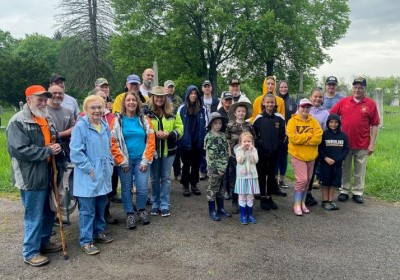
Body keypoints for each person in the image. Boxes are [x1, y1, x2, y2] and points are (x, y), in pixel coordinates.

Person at [7, 85, 64, 267]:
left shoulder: (46, 118)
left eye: (44, 98)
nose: (42, 102)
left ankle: (44, 242)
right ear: (29, 99)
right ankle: (30, 252)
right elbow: (19, 149)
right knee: (34, 214)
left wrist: (56, 147)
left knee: (49, 211)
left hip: (49, 172)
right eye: (38, 98)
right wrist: (46, 151)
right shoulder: (18, 121)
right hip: (30, 176)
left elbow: (53, 139)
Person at [70, 95, 114, 255]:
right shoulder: (80, 127)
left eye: (99, 107)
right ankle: (86, 240)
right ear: (86, 110)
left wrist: (110, 163)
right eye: (93, 108)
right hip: (87, 175)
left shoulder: (104, 124)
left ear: (104, 109)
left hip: (103, 173)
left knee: (101, 204)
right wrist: (89, 168)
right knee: (87, 210)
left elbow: (109, 146)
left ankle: (98, 232)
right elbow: (75, 153)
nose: (96, 110)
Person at [110, 91, 156, 228]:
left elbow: (151, 140)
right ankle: (129, 213)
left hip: (141, 160)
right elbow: (113, 142)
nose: (131, 102)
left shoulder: (144, 120)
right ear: (124, 103)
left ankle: (141, 211)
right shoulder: (118, 121)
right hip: (124, 162)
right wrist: (121, 160)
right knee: (126, 188)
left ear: (138, 103)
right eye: (128, 100)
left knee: (142, 188)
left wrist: (146, 160)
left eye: (134, 100)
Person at [331, 77, 379, 204]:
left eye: (360, 87)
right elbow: (332, 116)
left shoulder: (370, 104)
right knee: (345, 168)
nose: (357, 90)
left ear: (364, 89)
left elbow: (375, 124)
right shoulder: (344, 102)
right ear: (352, 88)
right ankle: (344, 190)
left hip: (362, 143)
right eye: (355, 87)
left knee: (360, 170)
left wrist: (372, 144)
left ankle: (357, 192)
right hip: (345, 144)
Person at [147, 86, 183, 217]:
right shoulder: (147, 112)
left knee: (166, 178)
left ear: (165, 98)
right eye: (156, 96)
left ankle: (164, 203)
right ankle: (155, 202)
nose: (159, 99)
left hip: (169, 150)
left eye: (161, 96)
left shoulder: (173, 111)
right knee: (154, 178)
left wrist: (169, 134)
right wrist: (154, 134)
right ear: (153, 97)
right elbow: (143, 129)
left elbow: (180, 129)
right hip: (154, 151)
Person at [286, 98, 323, 216]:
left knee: (307, 181)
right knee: (302, 180)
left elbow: (318, 138)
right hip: (297, 155)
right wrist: (308, 135)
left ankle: (302, 203)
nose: (305, 109)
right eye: (303, 107)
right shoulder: (292, 121)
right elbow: (293, 138)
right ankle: (296, 204)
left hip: (311, 155)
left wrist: (302, 139)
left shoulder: (314, 122)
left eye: (308, 107)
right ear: (298, 108)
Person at [91, 88, 119, 224]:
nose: (103, 100)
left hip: (109, 159)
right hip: (93, 161)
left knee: (109, 187)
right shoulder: (84, 117)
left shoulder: (111, 117)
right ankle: (94, 217)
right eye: (100, 97)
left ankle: (105, 213)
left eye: (105, 98)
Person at [253, 94, 286, 211]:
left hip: (274, 152)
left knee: (272, 175)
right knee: (262, 175)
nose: (270, 104)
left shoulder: (279, 118)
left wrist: (277, 146)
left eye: (272, 102)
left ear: (275, 103)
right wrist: (261, 145)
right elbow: (254, 135)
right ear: (263, 103)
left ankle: (269, 196)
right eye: (267, 102)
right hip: (262, 152)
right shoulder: (259, 118)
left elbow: (283, 135)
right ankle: (262, 197)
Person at [226, 101, 255, 213]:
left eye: (243, 111)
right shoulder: (230, 125)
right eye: (239, 111)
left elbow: (253, 140)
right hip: (234, 157)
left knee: (246, 178)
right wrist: (229, 153)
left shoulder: (249, 126)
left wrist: (253, 153)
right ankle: (235, 201)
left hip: (247, 158)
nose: (241, 113)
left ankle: (247, 200)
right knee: (234, 179)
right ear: (235, 112)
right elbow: (227, 140)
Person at [178, 85, 206, 197]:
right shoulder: (182, 108)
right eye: (191, 93)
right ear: (188, 95)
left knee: (196, 165)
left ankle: (194, 184)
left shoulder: (202, 109)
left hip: (197, 141)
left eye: (195, 94)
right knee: (186, 164)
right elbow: (179, 125)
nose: (193, 96)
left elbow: (206, 124)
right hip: (186, 141)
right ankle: (185, 185)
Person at [318, 114, 349, 210]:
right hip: (325, 164)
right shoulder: (324, 134)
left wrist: (339, 159)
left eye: (336, 122)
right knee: (325, 183)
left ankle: (331, 201)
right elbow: (320, 148)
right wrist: (325, 158)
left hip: (337, 164)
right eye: (331, 122)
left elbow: (346, 149)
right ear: (328, 123)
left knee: (334, 183)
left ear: (339, 123)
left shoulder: (343, 135)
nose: (333, 124)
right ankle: (324, 201)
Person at [204, 112, 231, 221]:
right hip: (214, 169)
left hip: (223, 167)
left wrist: (224, 167)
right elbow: (210, 156)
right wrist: (216, 169)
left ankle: (221, 208)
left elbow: (226, 152)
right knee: (212, 190)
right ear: (211, 124)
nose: (218, 125)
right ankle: (212, 211)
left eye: (219, 123)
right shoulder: (209, 137)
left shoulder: (223, 135)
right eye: (215, 123)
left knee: (221, 189)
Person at [305, 87, 330, 206]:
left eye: (320, 97)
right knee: (302, 172)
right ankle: (300, 193)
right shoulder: (304, 109)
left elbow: (326, 130)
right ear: (311, 97)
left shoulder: (325, 113)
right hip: (303, 145)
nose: (317, 99)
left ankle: (308, 193)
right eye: (315, 96)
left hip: (316, 146)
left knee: (312, 171)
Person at [234, 132, 260, 225]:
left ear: (252, 142)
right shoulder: (238, 150)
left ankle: (250, 215)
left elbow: (255, 160)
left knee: (250, 196)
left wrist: (251, 151)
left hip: (251, 176)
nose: (246, 143)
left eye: (249, 141)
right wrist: (243, 152)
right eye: (244, 141)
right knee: (242, 196)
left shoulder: (254, 150)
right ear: (240, 142)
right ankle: (243, 215)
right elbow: (239, 161)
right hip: (242, 177)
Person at [275, 80, 297, 189]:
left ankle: (282, 179)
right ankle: (274, 179)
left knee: (283, 156)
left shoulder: (292, 100)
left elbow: (295, 116)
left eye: (285, 87)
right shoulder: (274, 100)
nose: (283, 89)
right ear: (278, 88)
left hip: (287, 133)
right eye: (281, 87)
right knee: (275, 156)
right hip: (275, 132)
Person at [47, 85, 75, 160]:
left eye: (60, 93)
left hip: (66, 148)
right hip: (49, 148)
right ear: (49, 95)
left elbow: (74, 128)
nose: (57, 95)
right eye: (54, 93)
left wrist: (59, 134)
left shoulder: (68, 111)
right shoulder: (43, 111)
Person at [200, 80, 220, 180]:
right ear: (202, 88)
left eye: (209, 86)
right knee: (203, 150)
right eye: (205, 86)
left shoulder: (216, 101)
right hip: (202, 127)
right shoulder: (199, 101)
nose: (207, 88)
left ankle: (213, 170)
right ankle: (203, 171)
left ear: (211, 88)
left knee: (214, 149)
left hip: (213, 127)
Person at [164, 80, 184, 181]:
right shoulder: (161, 98)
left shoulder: (178, 99)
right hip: (164, 129)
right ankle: (164, 175)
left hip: (175, 127)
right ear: (165, 88)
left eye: (172, 87)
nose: (170, 89)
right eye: (168, 87)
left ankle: (177, 173)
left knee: (177, 153)